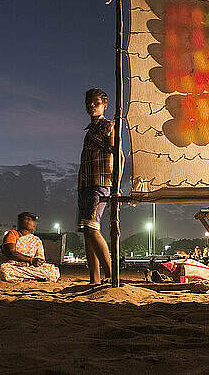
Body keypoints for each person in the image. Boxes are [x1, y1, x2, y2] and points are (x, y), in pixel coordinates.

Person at [77, 88, 121, 284]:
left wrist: (116, 185)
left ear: (105, 105)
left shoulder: (108, 126)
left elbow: (118, 155)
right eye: (88, 102)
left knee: (92, 227)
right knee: (86, 232)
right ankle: (94, 279)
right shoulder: (89, 130)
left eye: (96, 102)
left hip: (101, 183)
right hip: (84, 184)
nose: (91, 105)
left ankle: (111, 276)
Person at [0, 212, 60, 282]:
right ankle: (33, 278)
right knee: (4, 270)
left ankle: (25, 278)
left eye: (34, 221)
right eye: (31, 220)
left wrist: (34, 262)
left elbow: (40, 259)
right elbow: (10, 252)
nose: (34, 223)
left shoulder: (36, 240)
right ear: (22, 221)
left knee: (53, 270)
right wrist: (30, 260)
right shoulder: (12, 234)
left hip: (29, 267)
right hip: (13, 265)